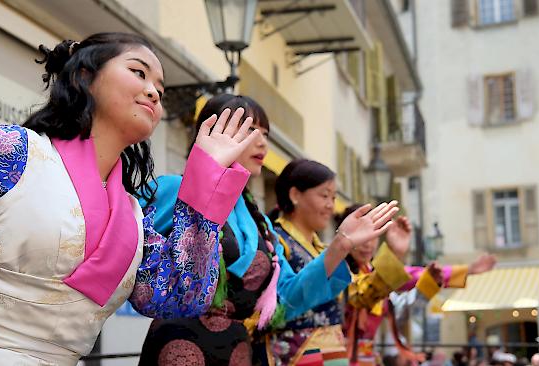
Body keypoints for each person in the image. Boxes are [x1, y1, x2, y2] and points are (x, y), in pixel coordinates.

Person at [0, 33, 258, 365]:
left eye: (161, 90)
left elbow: (180, 298)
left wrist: (204, 183)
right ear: (84, 76)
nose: (153, 91)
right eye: (139, 72)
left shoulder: (134, 219)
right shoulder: (13, 151)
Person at [136, 94, 399, 365]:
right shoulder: (174, 189)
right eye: (250, 130)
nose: (261, 142)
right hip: (178, 347)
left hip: (239, 351)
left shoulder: (260, 223)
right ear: (214, 131)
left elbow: (284, 300)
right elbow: (133, 256)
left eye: (265, 134)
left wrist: (341, 244)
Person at [265, 160, 407, 365]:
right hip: (296, 354)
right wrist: (340, 246)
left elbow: (358, 298)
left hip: (332, 352)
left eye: (333, 197)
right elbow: (284, 302)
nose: (331, 205)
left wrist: (393, 253)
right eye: (324, 196)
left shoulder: (322, 249)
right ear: (295, 195)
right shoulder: (275, 241)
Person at [337, 204, 497, 366]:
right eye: (362, 236)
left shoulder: (373, 273)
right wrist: (394, 255)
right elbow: (366, 294)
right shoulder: (337, 272)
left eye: (374, 235)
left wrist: (462, 272)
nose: (367, 244)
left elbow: (404, 303)